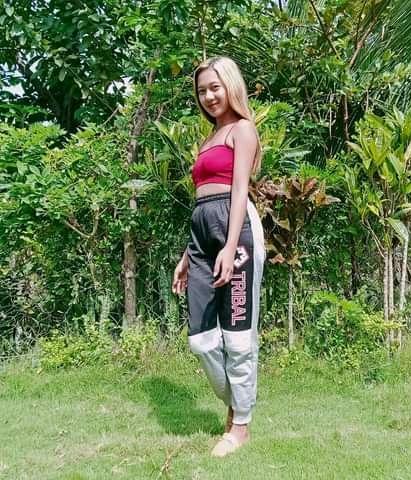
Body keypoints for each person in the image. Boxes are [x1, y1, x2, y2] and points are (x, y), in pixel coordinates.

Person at [172, 56, 265, 457]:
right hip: (201, 234)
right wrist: (187, 255)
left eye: (215, 87)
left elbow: (240, 189)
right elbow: (202, 199)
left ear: (230, 86)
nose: (208, 96)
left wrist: (229, 246)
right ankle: (239, 402)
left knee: (238, 338)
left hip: (236, 231)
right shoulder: (209, 138)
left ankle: (240, 426)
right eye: (202, 91)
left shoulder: (243, 129)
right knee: (201, 340)